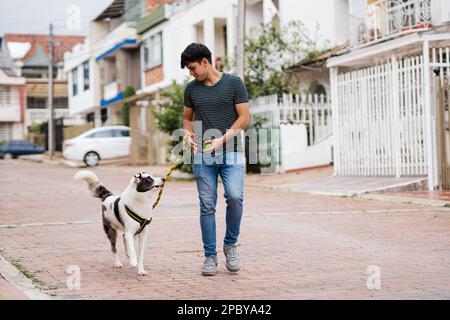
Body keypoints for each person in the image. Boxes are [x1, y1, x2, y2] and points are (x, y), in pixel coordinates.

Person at [181, 43, 250, 276]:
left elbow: (244, 118)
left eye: (192, 68)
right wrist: (188, 136)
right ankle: (210, 256)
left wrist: (222, 139)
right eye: (189, 70)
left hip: (231, 151)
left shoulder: (234, 83)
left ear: (205, 62)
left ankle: (230, 244)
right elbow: (187, 120)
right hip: (202, 154)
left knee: (235, 196)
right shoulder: (191, 89)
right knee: (207, 205)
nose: (191, 73)